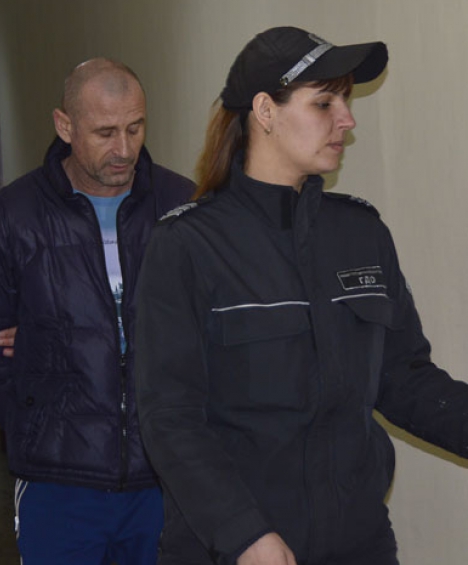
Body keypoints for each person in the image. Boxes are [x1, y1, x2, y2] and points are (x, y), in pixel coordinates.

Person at [135, 26, 468, 565]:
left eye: (346, 101)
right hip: (238, 548)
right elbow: (170, 418)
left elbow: (403, 377)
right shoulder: (187, 245)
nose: (347, 119)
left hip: (357, 543)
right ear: (265, 111)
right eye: (324, 103)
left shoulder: (361, 233)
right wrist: (244, 534)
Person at [0, 58, 195, 564]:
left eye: (135, 128)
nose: (124, 149)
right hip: (58, 481)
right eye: (105, 132)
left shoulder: (181, 207)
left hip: (165, 473)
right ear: (65, 126)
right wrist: (36, 418)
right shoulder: (9, 218)